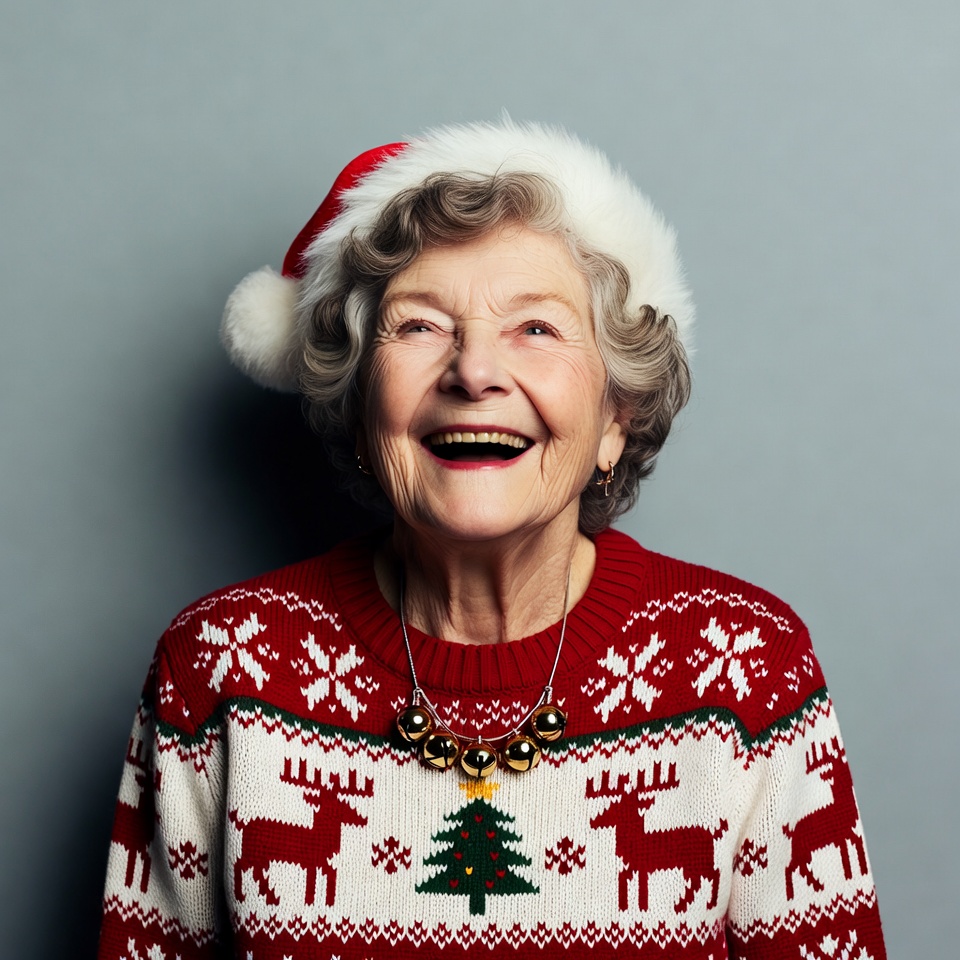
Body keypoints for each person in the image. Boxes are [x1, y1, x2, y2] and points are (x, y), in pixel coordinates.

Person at [98, 120, 886, 959]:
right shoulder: (219, 667)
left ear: (616, 417)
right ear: (361, 408)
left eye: (536, 328)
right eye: (420, 327)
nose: (474, 372)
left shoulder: (747, 665)